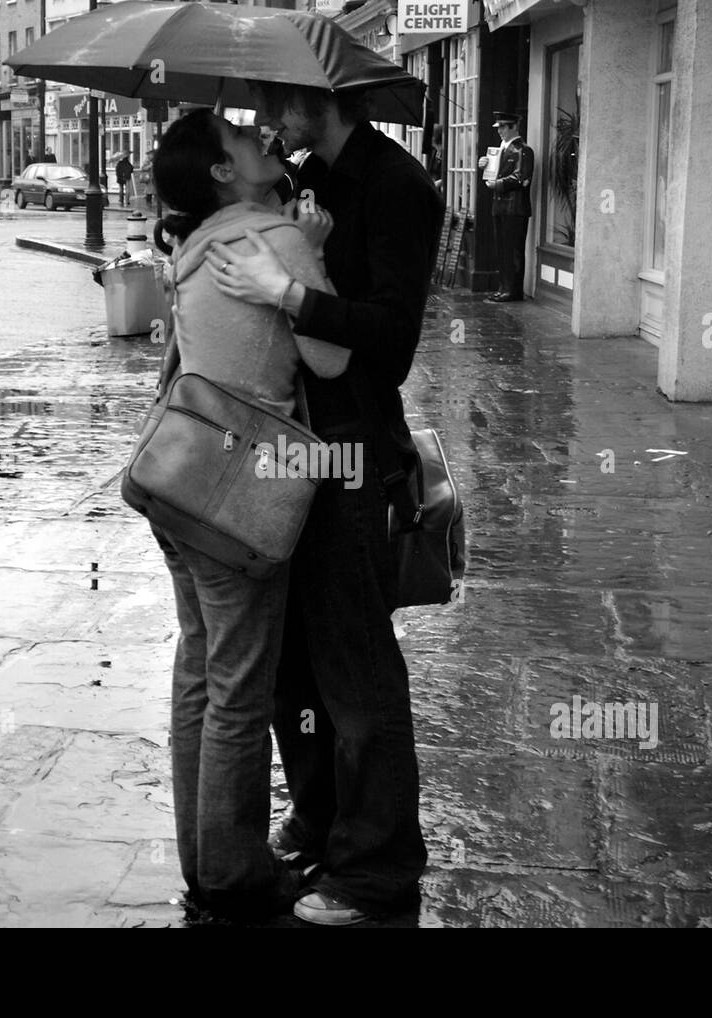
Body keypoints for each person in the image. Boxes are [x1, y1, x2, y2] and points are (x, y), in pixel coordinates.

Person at [207, 83, 444, 925]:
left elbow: (392, 342)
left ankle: (377, 868)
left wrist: (291, 290)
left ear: (322, 96)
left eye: (278, 100)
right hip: (287, 456)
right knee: (292, 667)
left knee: (356, 672)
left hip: (350, 455)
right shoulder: (312, 177)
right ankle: (318, 818)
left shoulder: (398, 187)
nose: (269, 116)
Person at [146, 108, 348, 922]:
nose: (259, 138)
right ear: (223, 173)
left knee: (198, 671)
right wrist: (317, 255)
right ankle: (232, 874)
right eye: (240, 139)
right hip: (241, 492)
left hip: (179, 484)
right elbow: (332, 357)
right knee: (238, 687)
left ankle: (205, 856)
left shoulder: (190, 250)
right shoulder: (276, 240)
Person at [477, 111, 533, 302]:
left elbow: (521, 177)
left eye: (503, 127)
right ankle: (504, 286)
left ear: (513, 127)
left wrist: (498, 184)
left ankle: (513, 289)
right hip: (500, 206)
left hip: (515, 208)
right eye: (499, 127)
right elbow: (493, 173)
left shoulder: (523, 150)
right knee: (502, 249)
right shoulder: (500, 149)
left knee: (513, 249)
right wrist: (485, 165)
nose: (500, 131)